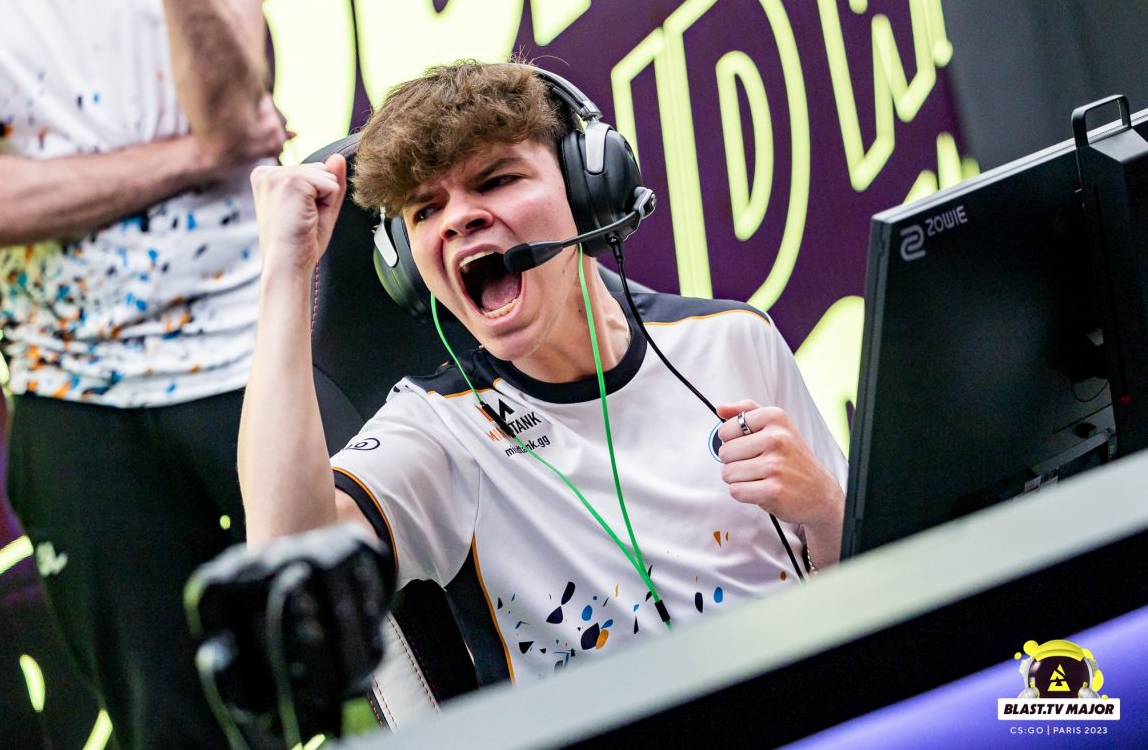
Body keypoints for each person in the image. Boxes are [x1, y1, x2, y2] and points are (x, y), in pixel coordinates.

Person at [241, 61, 847, 685]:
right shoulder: (438, 434)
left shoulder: (735, 339)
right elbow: (288, 568)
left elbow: (872, 593)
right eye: (425, 211)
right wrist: (286, 272)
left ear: (586, 188)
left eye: (497, 180)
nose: (458, 220)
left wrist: (828, 509)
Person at [0, 0, 286, 746]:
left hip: (255, 361)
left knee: (358, 662)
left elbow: (230, 110)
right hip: (73, 400)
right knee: (166, 724)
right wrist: (194, 158)